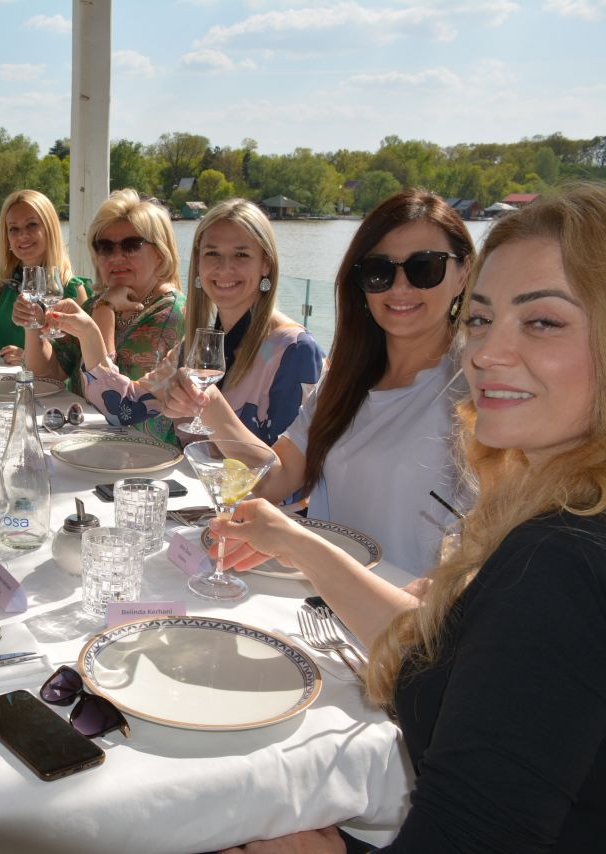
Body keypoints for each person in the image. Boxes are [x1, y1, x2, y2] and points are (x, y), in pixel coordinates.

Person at [214, 185, 606, 853]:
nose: (485, 353)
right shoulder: (542, 515)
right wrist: (289, 539)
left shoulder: (559, 559)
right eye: (481, 320)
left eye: (542, 321)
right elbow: (432, 658)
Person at [164, 189, 474, 574]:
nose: (399, 287)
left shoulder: (476, 390)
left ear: (464, 272)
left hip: (403, 606)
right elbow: (275, 479)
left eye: (424, 267)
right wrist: (210, 406)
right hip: (323, 597)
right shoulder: (344, 381)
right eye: (378, 270)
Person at [64, 198, 324, 448]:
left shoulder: (293, 350)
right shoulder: (196, 348)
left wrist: (212, 409)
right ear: (198, 264)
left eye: (241, 255)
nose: (224, 268)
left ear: (266, 263)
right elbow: (126, 408)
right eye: (212, 253)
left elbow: (286, 473)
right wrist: (89, 333)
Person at [16, 188, 186, 444]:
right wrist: (33, 324)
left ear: (160, 254)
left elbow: (113, 399)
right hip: (85, 444)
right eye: (105, 247)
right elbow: (46, 377)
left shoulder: (170, 314)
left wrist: (104, 310)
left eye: (131, 245)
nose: (116, 257)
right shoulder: (94, 303)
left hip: (140, 454)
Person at [0, 188, 89, 365]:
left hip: (45, 383)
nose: (22, 235)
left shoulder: (73, 290)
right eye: (14, 229)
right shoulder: (0, 284)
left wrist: (27, 357)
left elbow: (82, 362)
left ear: (50, 229)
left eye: (32, 225)